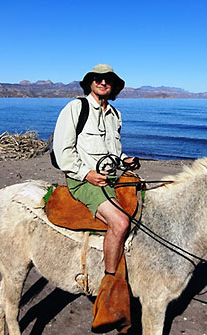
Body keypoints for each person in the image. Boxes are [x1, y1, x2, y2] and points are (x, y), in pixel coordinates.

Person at [52, 63, 139, 283]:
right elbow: (63, 152)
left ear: (113, 86)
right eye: (97, 78)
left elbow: (112, 152)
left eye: (107, 79)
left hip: (110, 178)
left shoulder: (115, 114)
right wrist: (86, 174)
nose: (102, 82)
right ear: (90, 82)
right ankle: (110, 282)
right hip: (83, 181)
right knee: (120, 223)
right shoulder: (76, 108)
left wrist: (124, 160)